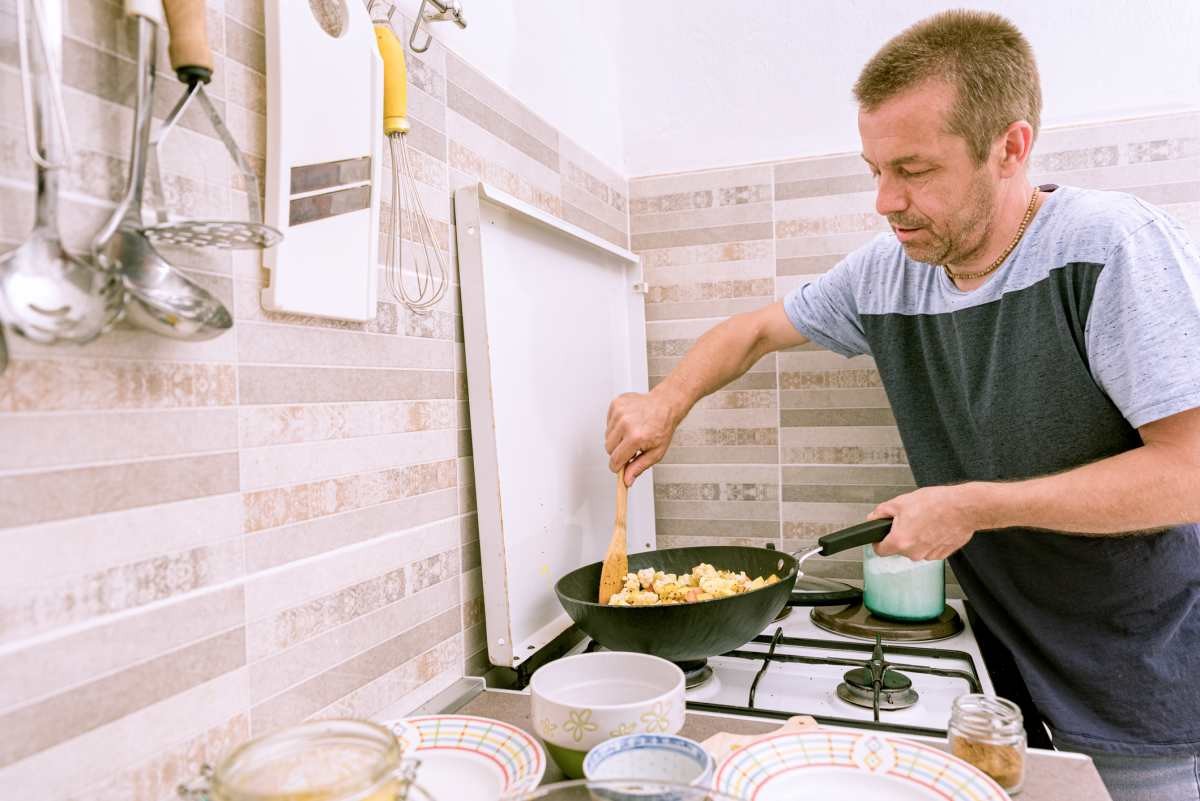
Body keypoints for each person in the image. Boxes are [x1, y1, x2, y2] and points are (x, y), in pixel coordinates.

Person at [605, 10, 1200, 801]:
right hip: (1001, 666)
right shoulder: (887, 273)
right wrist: (666, 400)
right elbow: (752, 331)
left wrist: (974, 506)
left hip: (1144, 678)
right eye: (874, 168)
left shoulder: (1110, 247)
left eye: (914, 169)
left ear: (1010, 148)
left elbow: (1189, 471)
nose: (886, 201)